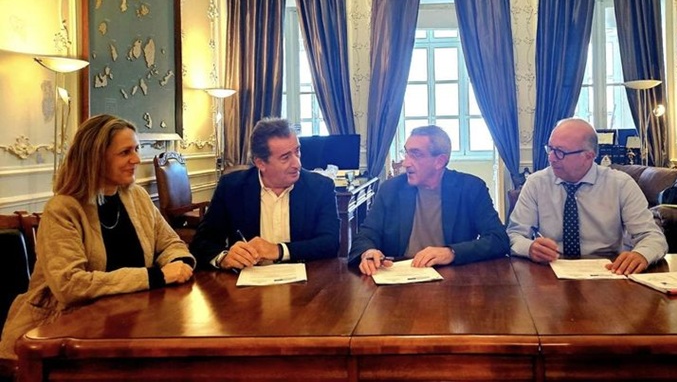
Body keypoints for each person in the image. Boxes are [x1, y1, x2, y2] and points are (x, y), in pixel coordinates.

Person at [0, 115, 194, 360]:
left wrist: (179, 263)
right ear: (95, 158)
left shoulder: (137, 197)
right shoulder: (62, 209)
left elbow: (171, 243)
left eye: (136, 149)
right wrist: (157, 276)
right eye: (125, 152)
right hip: (60, 332)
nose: (136, 159)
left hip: (130, 319)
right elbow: (70, 285)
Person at [507, 118, 667, 274]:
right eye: (550, 149)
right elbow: (514, 234)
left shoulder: (620, 185)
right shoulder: (536, 183)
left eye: (560, 152)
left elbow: (652, 236)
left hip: (608, 270)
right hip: (550, 270)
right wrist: (529, 248)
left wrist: (641, 254)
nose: (551, 158)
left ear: (588, 156)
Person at [349, 125, 508, 274]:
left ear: (439, 161)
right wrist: (367, 252)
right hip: (397, 277)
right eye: (406, 153)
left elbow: (498, 239)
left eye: (415, 154)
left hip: (452, 277)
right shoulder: (391, 189)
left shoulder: (471, 188)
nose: (406, 163)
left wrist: (451, 252)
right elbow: (366, 235)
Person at [191, 117, 339, 269]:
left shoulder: (320, 187)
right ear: (260, 163)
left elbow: (330, 243)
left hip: (306, 278)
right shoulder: (232, 187)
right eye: (285, 157)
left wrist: (279, 250)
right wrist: (224, 258)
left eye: (297, 151)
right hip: (249, 279)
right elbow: (202, 242)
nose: (297, 163)